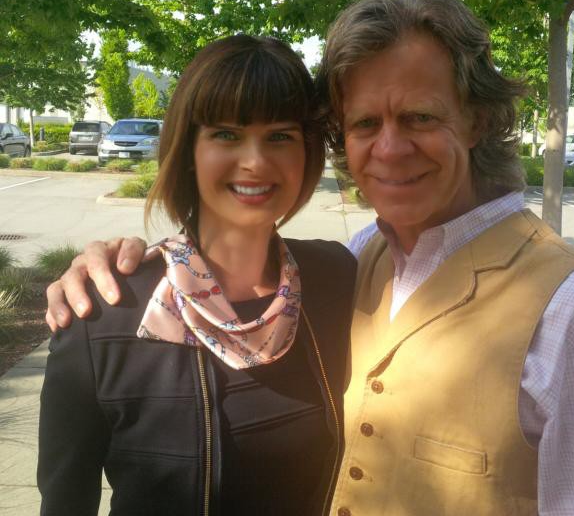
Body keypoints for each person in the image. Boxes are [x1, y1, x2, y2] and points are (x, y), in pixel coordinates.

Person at [46, 0, 574, 515]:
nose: (390, 148)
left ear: (477, 121)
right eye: (364, 123)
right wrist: (123, 263)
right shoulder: (357, 263)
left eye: (420, 117)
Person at [38, 35, 356, 516]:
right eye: (226, 134)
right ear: (187, 149)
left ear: (307, 153)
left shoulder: (337, 279)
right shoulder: (104, 314)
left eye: (280, 136)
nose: (255, 161)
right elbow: (64, 502)